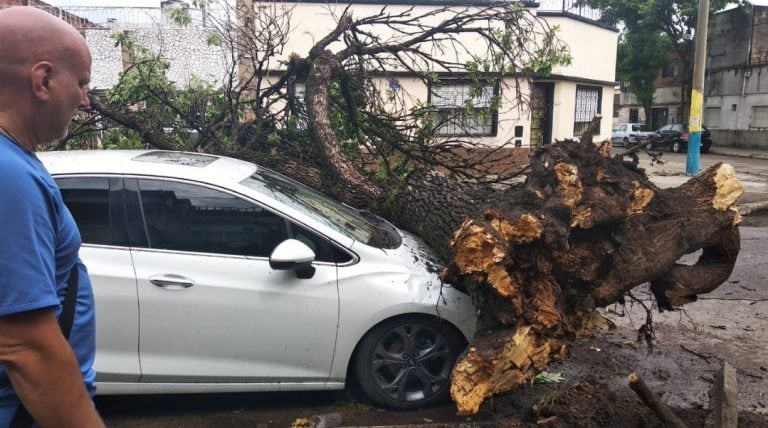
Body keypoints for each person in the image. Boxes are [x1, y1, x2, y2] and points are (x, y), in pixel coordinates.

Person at [0, 6, 105, 427]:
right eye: (80, 83)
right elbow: (25, 347)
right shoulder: (8, 175)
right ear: (42, 80)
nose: (84, 99)